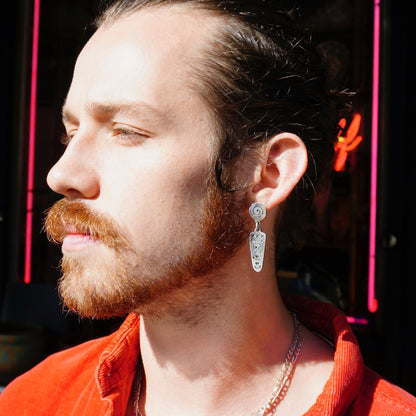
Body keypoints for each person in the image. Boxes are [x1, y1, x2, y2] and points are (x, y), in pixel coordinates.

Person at [1, 0, 415, 415]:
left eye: (126, 131)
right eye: (70, 133)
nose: (60, 174)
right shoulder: (32, 400)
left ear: (267, 173)